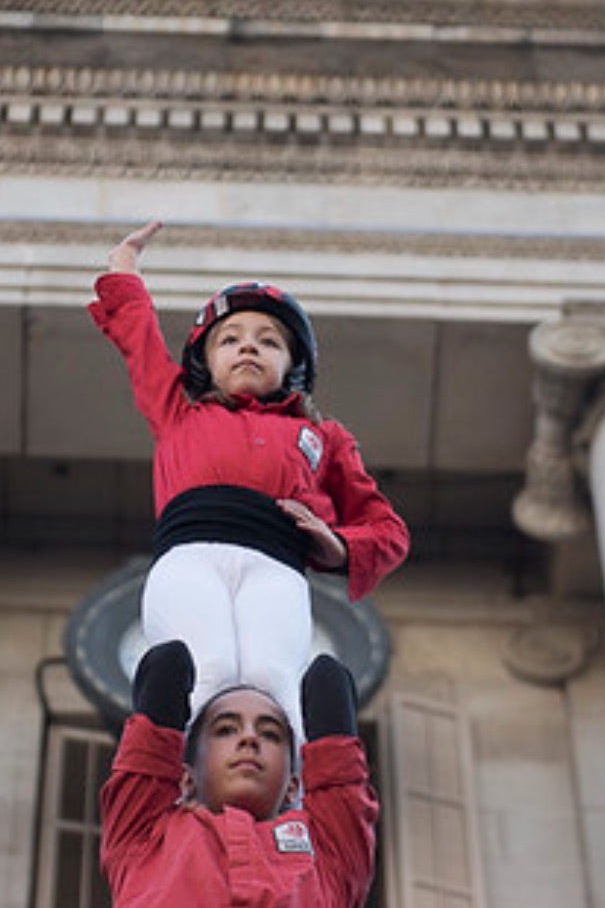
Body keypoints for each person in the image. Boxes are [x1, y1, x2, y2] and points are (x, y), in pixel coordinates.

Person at [89, 221, 409, 741]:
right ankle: (188, 804)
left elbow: (389, 531)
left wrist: (337, 545)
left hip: (276, 566)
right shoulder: (177, 412)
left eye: (269, 342)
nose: (248, 349)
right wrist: (124, 269)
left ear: (292, 366)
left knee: (275, 687)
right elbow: (139, 339)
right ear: (206, 363)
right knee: (206, 673)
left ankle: (290, 809)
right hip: (190, 557)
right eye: (230, 340)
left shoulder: (322, 437)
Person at [100, 640, 378, 908]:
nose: (249, 738)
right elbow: (165, 671)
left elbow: (340, 776)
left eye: (270, 734)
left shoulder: (329, 858)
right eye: (225, 729)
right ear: (185, 779)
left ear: (293, 785)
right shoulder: (143, 838)